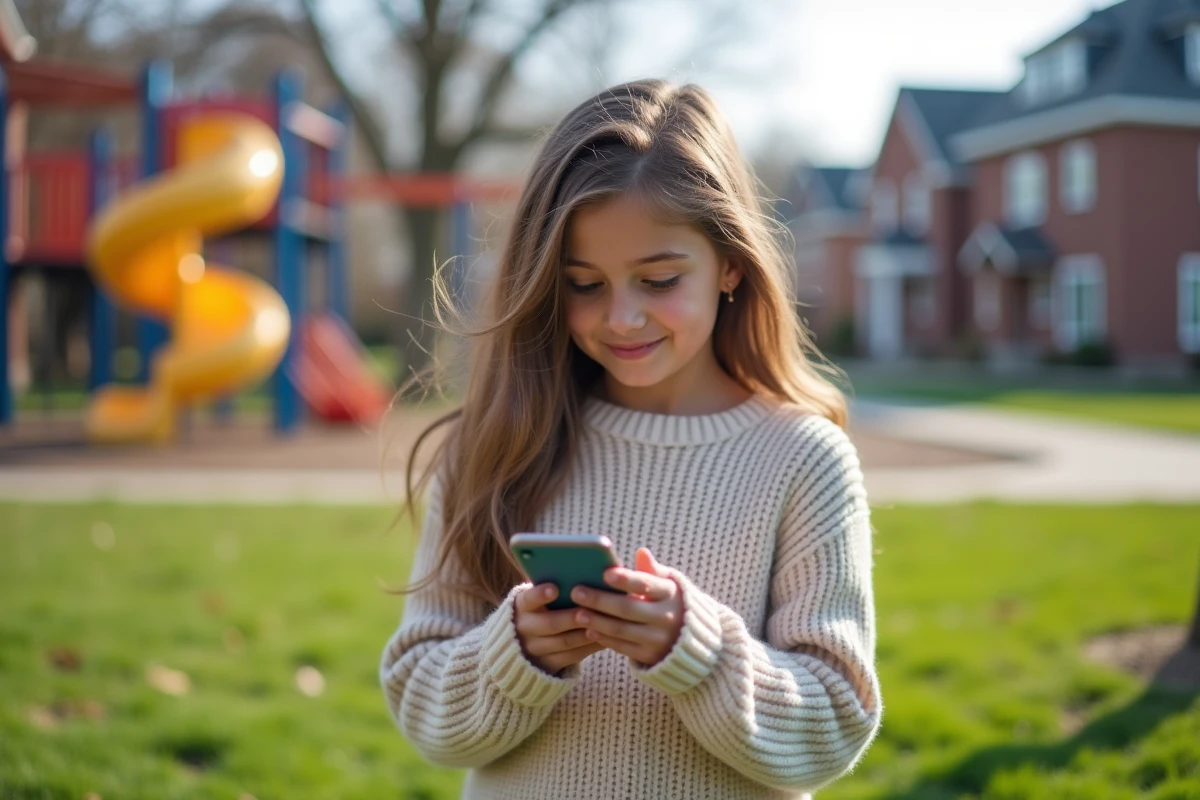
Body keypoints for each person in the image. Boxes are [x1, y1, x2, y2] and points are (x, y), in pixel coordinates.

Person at [380, 79, 882, 800]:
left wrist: (696, 650)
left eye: (659, 279)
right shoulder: (496, 443)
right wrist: (513, 654)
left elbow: (835, 725)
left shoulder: (804, 459)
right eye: (584, 284)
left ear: (731, 264)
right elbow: (421, 711)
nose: (621, 317)